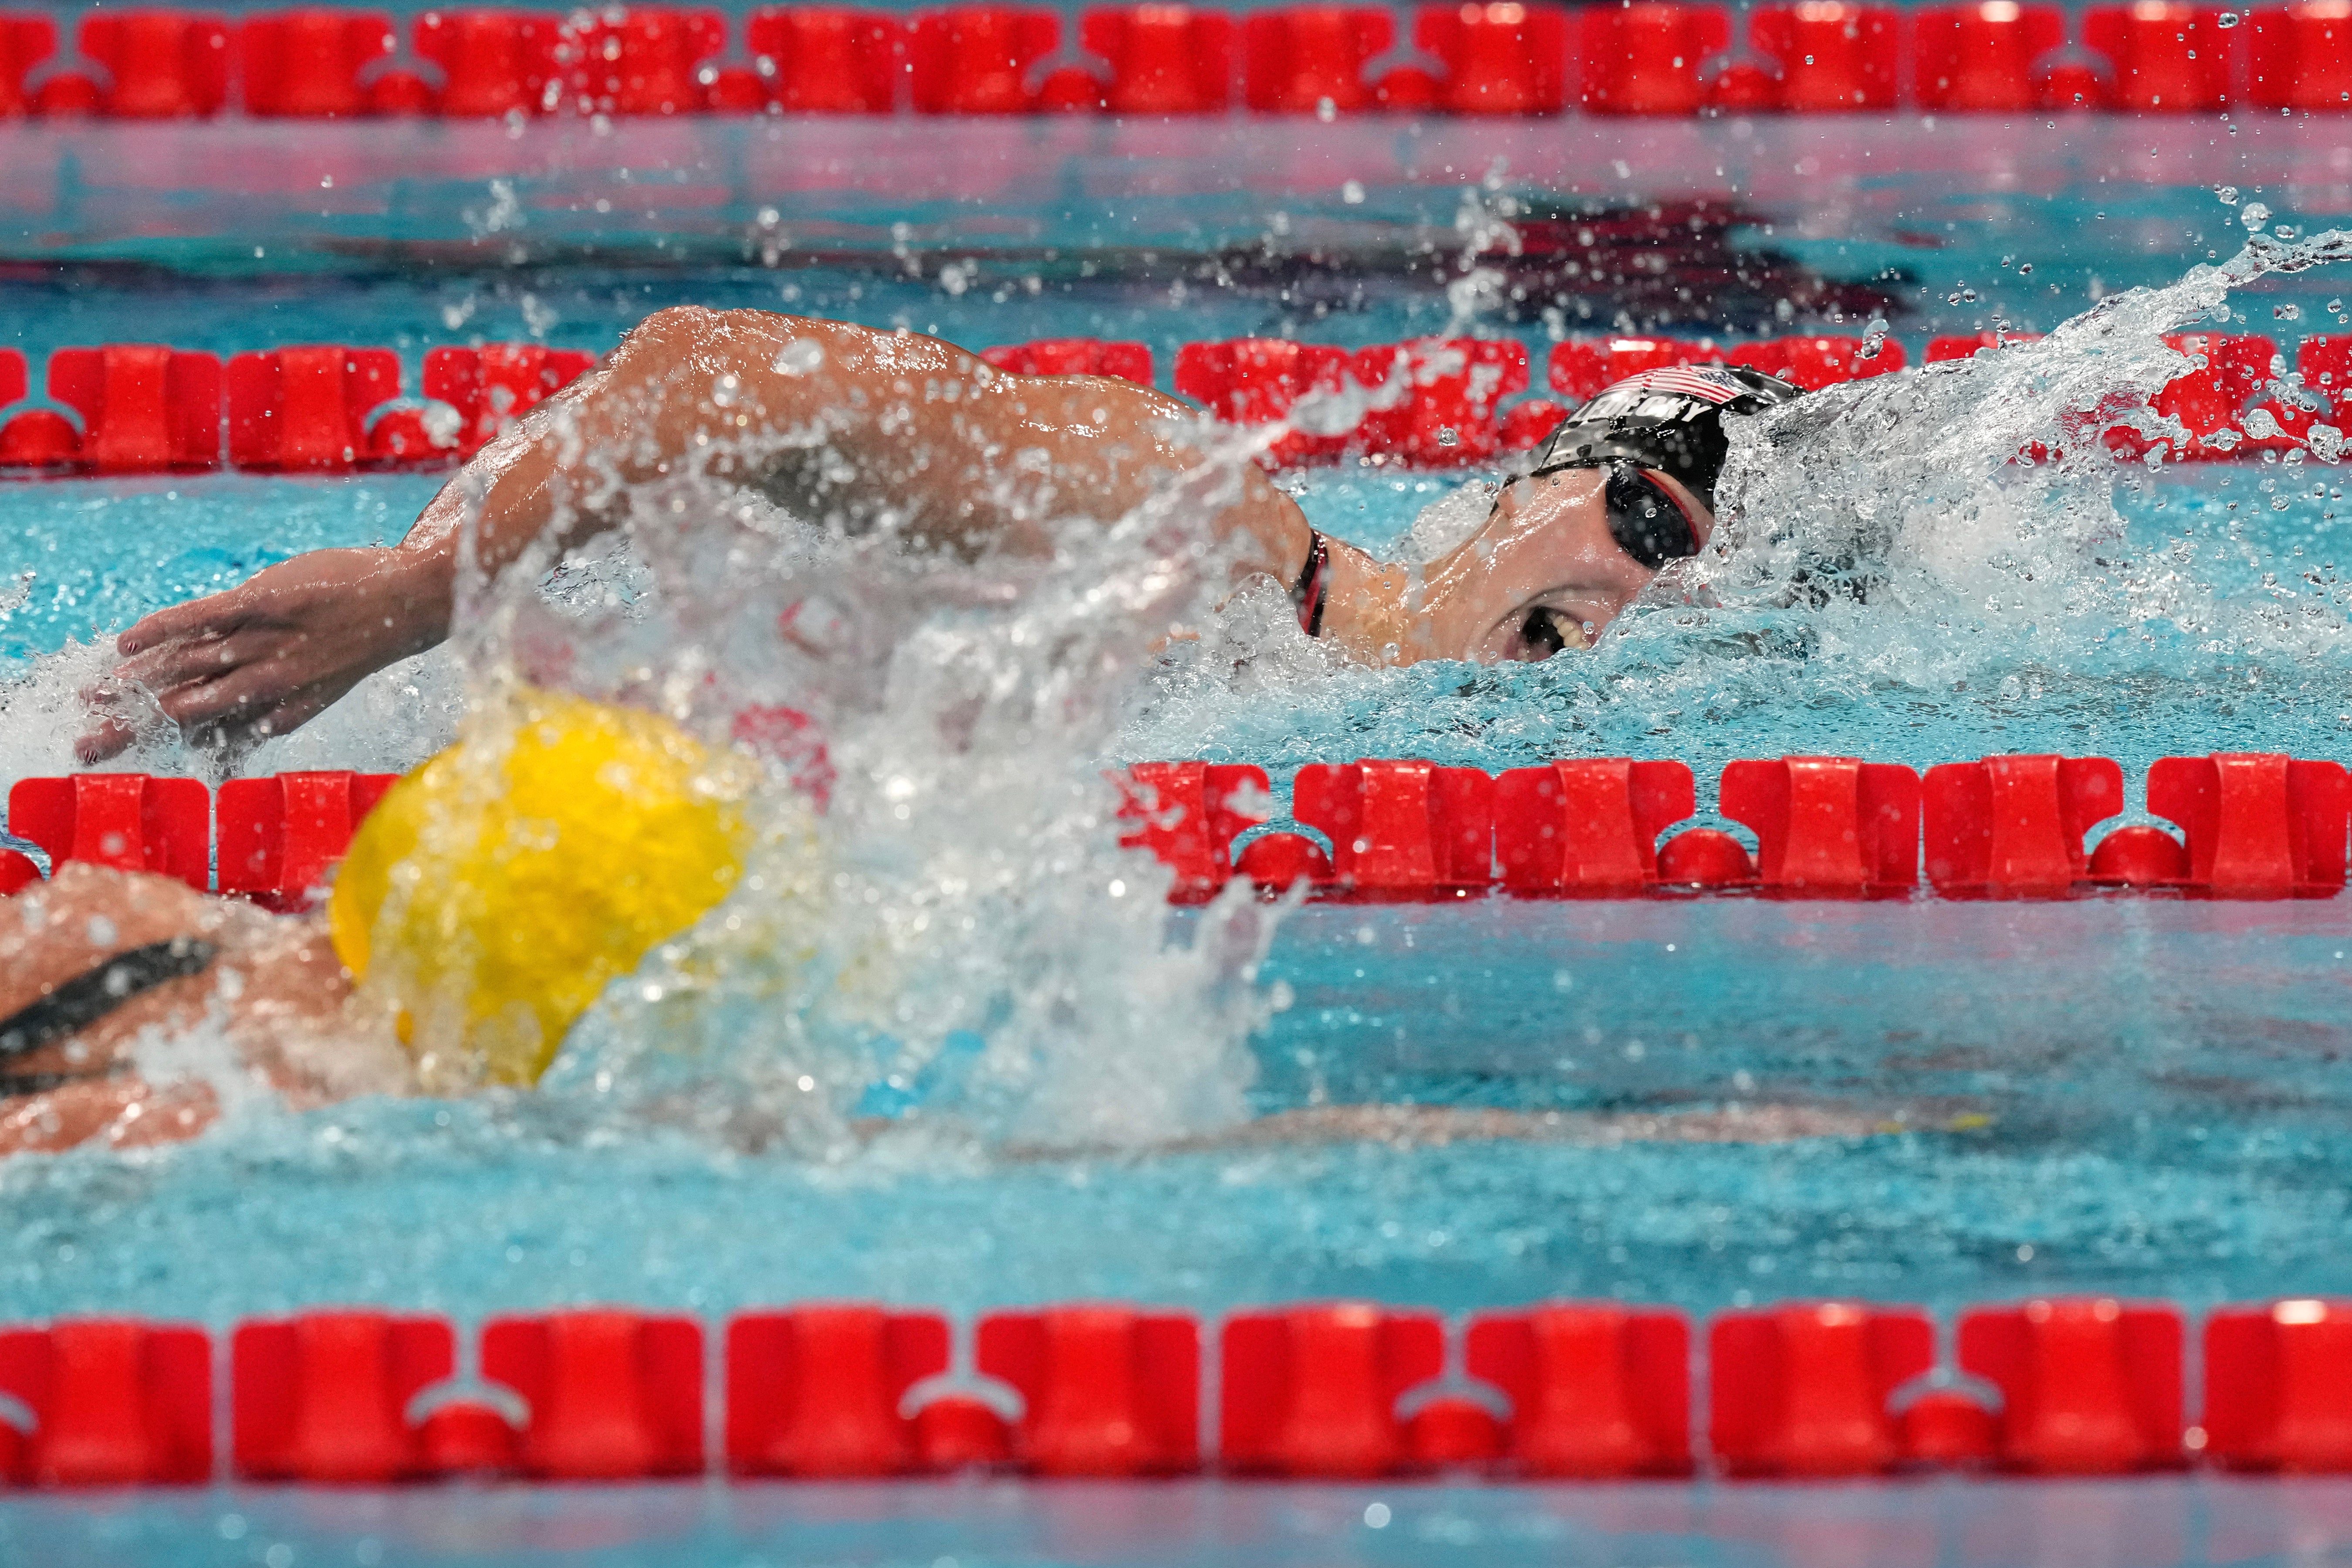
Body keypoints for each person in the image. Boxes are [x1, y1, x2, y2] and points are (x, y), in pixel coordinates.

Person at [77, 308, 1800, 763]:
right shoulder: (1198, 520)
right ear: (1522, 485)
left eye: (1688, 580)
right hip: (300, 705)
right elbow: (710, 377)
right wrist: (404, 598)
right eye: (1644, 512)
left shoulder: (1315, 693)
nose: (1630, 589)